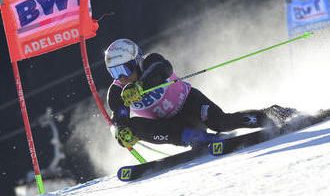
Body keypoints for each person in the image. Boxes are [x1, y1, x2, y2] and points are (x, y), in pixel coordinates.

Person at [105, 39, 295, 149]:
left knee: (221, 123)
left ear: (137, 60)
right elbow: (119, 118)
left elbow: (162, 68)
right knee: (134, 126)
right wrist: (122, 133)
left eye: (125, 68)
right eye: (114, 72)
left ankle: (272, 115)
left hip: (190, 103)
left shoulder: (150, 62)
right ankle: (199, 138)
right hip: (174, 127)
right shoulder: (116, 92)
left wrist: (140, 87)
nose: (121, 77)